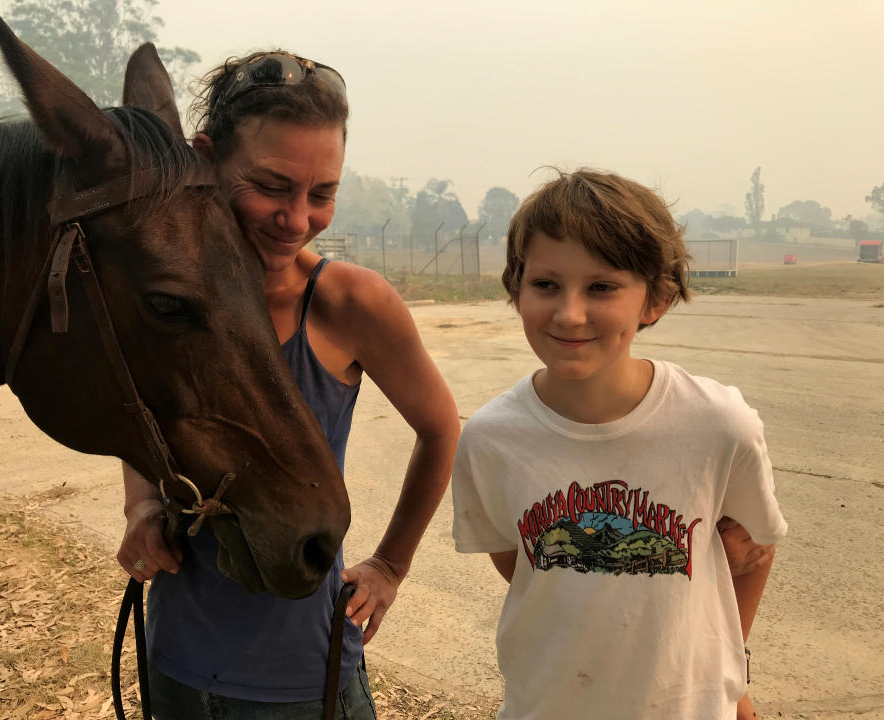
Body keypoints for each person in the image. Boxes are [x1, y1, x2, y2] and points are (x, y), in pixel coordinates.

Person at [117, 51, 460, 719]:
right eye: (272, 186)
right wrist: (138, 509)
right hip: (176, 657)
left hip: (305, 671)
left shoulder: (350, 304)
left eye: (322, 193)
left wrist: (392, 564)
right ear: (208, 159)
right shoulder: (164, 301)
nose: (297, 218)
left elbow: (441, 426)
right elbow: (141, 412)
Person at [450, 169, 786, 720]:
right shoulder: (490, 439)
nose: (569, 313)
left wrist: (731, 677)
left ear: (654, 299)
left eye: (602, 287)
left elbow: (753, 555)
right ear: (516, 289)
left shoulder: (719, 426)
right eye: (546, 284)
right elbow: (524, 566)